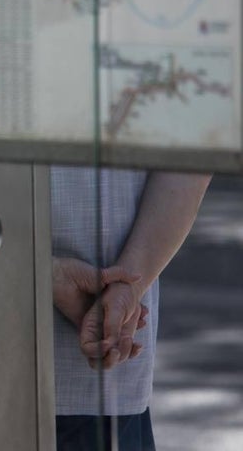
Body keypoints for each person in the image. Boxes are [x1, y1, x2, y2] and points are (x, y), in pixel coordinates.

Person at [51, 167, 209, 451]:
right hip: (92, 368)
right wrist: (129, 284)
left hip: (95, 378)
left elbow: (190, 153)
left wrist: (130, 284)